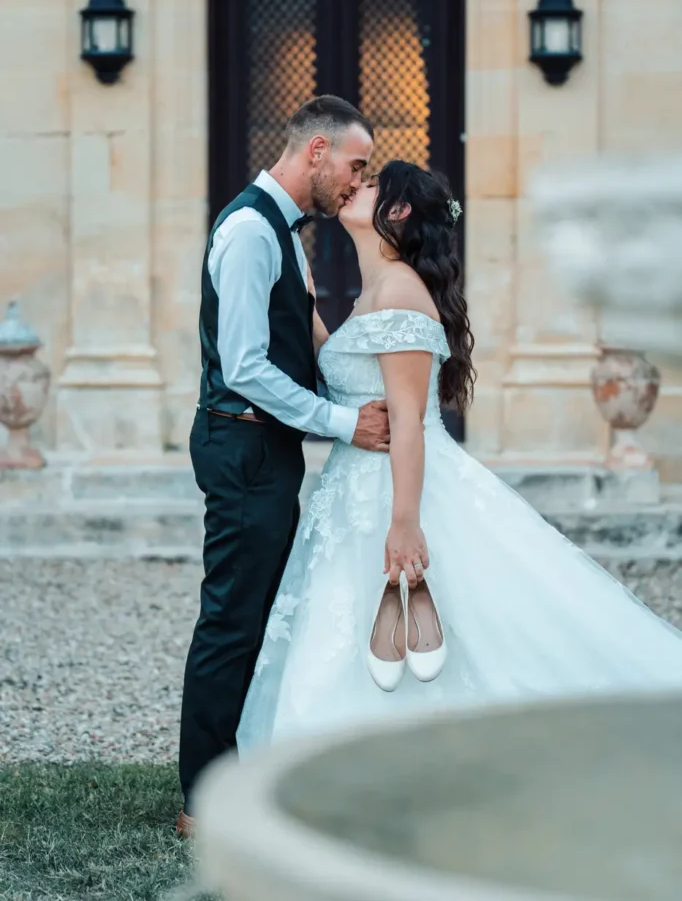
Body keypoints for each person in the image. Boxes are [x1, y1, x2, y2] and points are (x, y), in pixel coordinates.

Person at [238, 159, 682, 752]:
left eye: (369, 185)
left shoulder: (399, 291)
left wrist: (403, 523)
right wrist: (312, 313)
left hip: (395, 488)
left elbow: (409, 421)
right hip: (354, 485)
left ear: (396, 211)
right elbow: (350, 376)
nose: (353, 187)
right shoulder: (377, 288)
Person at [178, 96, 391, 834]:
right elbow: (245, 366)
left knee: (262, 611)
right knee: (232, 619)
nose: (358, 181)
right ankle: (204, 798)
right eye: (356, 166)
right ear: (317, 151)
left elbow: (303, 335)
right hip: (241, 444)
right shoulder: (248, 231)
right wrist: (344, 424)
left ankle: (247, 771)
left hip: (268, 447)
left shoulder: (286, 231)